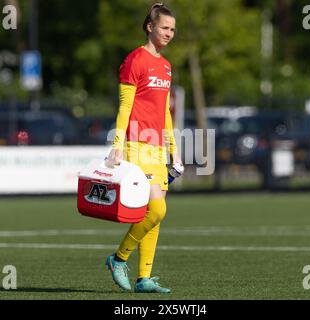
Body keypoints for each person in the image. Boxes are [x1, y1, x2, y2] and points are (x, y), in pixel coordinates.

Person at [104, 3, 181, 293]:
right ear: (150, 27)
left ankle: (143, 278)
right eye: (164, 27)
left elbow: (164, 112)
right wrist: (117, 144)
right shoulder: (135, 60)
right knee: (157, 209)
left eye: (172, 29)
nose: (169, 33)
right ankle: (118, 258)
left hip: (157, 147)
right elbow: (125, 106)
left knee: (156, 212)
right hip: (136, 143)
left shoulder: (165, 66)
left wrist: (174, 148)